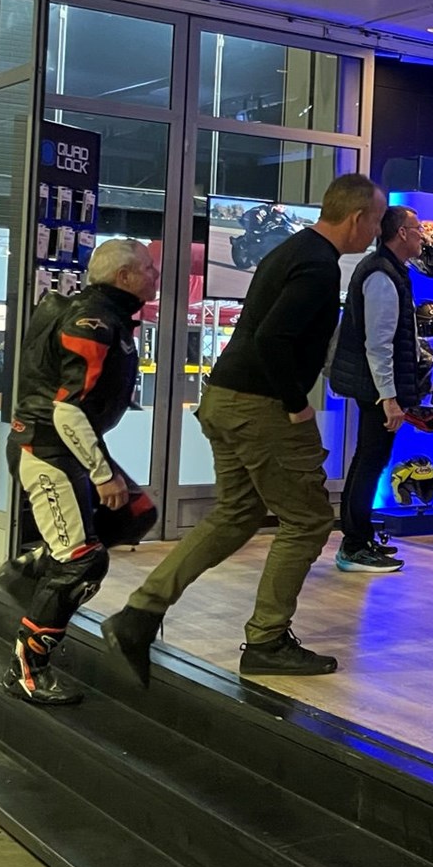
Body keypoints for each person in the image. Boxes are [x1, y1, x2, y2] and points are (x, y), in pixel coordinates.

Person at [105, 175, 385, 684]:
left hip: (226, 399)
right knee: (308, 520)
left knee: (237, 514)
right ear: (357, 218)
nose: (376, 232)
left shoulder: (293, 250)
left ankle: (139, 615)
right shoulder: (318, 265)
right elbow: (274, 338)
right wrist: (296, 404)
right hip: (261, 406)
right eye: (377, 221)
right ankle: (267, 640)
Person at [1, 240, 163, 706]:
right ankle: (27, 670)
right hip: (47, 448)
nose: (155, 275)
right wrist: (102, 472)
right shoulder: (92, 321)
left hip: (63, 444)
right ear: (124, 276)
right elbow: (67, 410)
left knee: (136, 513)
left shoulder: (104, 314)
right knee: (81, 562)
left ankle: (31, 567)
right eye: (148, 268)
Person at [328, 204, 426, 575]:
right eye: (417, 229)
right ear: (401, 233)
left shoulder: (390, 270)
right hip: (376, 388)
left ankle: (360, 537)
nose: (423, 236)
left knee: (370, 459)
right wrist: (389, 397)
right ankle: (354, 544)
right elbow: (379, 344)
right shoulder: (382, 274)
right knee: (370, 461)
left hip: (377, 385)